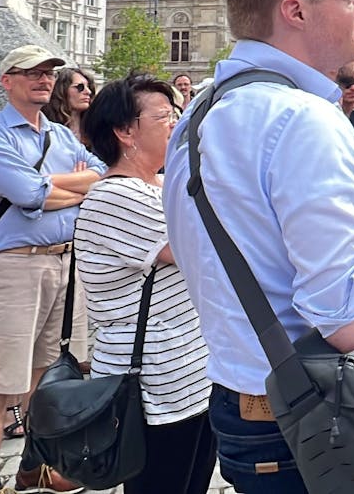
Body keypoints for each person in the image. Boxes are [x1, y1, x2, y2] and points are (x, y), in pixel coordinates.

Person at [161, 0, 354, 493]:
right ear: (296, 11)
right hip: (309, 414)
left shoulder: (199, 112)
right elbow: (348, 319)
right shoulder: (303, 117)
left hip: (239, 398)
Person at [0, 45, 104, 494]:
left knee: (48, 376)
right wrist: (64, 187)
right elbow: (27, 194)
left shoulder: (61, 136)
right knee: (1, 382)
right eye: (31, 73)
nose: (43, 80)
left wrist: (53, 186)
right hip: (12, 265)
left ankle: (36, 465)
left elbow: (101, 176)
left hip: (64, 260)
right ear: (7, 81)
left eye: (48, 73)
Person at [76, 76, 216, 494]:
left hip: (189, 375)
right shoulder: (118, 196)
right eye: (165, 117)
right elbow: (202, 248)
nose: (176, 125)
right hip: (155, 388)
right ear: (125, 132)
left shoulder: (156, 187)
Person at [42, 68, 95, 144]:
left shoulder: (96, 130)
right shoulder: (45, 129)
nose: (88, 92)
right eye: (80, 87)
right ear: (62, 91)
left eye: (89, 87)